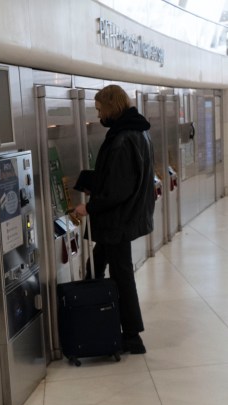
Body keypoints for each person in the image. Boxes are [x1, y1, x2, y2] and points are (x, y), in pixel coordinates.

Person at [73, 84, 155, 355]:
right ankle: (97, 320)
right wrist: (90, 181)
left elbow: (117, 188)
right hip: (124, 218)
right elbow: (122, 177)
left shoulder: (122, 138)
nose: (98, 116)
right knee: (96, 266)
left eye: (100, 110)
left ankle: (131, 335)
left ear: (111, 107)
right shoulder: (138, 132)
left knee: (120, 274)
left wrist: (90, 208)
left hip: (117, 219)